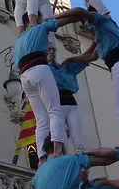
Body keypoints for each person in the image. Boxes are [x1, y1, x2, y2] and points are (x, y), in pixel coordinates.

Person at [57, 8, 119, 154]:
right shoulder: (105, 35)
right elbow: (92, 57)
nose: (85, 25)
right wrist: (71, 58)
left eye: (85, 22)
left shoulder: (102, 21)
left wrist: (54, 18)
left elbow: (79, 11)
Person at [14, 10, 85, 162]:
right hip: (40, 69)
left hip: (25, 77)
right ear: (36, 19)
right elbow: (69, 19)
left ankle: (41, 158)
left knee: (41, 120)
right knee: (55, 111)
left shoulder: (18, 40)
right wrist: (82, 16)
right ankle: (57, 150)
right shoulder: (41, 27)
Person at [48, 43, 97, 155]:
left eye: (53, 49)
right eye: (49, 49)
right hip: (57, 103)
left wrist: (94, 43)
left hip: (71, 103)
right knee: (58, 138)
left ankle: (81, 164)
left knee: (78, 140)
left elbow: (88, 57)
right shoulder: (44, 69)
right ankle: (56, 157)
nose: (52, 52)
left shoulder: (66, 68)